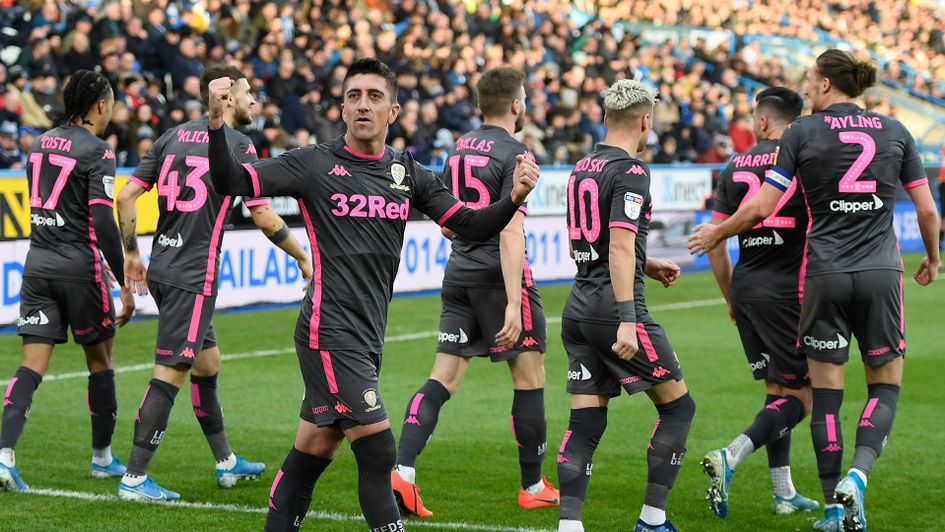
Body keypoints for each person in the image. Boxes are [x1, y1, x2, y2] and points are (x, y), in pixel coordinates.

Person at [204, 58, 539, 531]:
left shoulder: (409, 173)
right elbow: (230, 181)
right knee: (379, 450)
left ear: (394, 111)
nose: (364, 104)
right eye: (354, 96)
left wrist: (514, 198)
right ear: (342, 108)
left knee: (316, 447)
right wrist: (217, 124)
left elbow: (469, 225)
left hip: (367, 336)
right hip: (328, 330)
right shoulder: (313, 163)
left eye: (375, 96)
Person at [689, 49, 941, 532]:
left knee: (824, 397)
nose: (804, 86)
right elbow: (928, 211)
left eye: (807, 78)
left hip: (821, 274)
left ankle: (830, 508)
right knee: (884, 386)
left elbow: (763, 204)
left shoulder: (802, 131)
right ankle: (858, 477)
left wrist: (719, 233)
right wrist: (932, 257)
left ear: (826, 84)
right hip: (880, 271)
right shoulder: (895, 130)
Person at [114, 64, 312, 501]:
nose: (254, 102)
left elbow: (126, 195)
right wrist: (302, 256)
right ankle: (134, 477)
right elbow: (261, 213)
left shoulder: (170, 136)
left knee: (208, 362)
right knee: (170, 371)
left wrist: (132, 252)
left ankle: (226, 463)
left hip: (164, 265)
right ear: (225, 98)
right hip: (192, 273)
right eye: (247, 94)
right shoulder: (239, 145)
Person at [391, 67, 558, 517]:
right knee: (530, 378)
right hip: (497, 276)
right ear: (518, 105)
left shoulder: (459, 147)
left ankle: (402, 471)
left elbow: (447, 221)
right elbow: (510, 232)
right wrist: (513, 300)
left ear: (481, 105)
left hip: (458, 272)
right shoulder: (518, 153)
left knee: (442, 377)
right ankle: (533, 484)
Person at [556, 79, 694, 532]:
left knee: (585, 423)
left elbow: (588, 240)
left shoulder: (582, 166)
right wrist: (629, 320)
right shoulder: (632, 171)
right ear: (645, 120)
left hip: (577, 308)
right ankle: (652, 521)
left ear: (604, 118)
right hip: (614, 311)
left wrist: (644, 262)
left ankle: (569, 526)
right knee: (678, 408)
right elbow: (616, 246)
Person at [0, 70, 134, 491]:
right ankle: (102, 459)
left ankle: (3, 457)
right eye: (111, 102)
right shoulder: (99, 150)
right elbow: (100, 218)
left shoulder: (39, 142)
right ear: (99, 105)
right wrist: (126, 274)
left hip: (38, 264)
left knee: (30, 365)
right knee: (100, 361)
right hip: (80, 268)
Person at [701, 87, 820, 518]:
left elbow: (715, 241)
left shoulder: (733, 165)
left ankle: (783, 492)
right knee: (804, 397)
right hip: (789, 290)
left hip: (748, 285)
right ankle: (731, 455)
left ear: (764, 122)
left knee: (776, 390)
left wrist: (730, 296)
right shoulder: (801, 161)